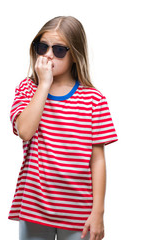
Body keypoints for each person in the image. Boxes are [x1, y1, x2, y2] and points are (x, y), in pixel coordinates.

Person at [8, 16, 118, 240]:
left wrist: (98, 212)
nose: (48, 55)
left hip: (79, 212)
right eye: (43, 47)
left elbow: (97, 160)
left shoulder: (94, 100)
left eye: (59, 50)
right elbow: (25, 131)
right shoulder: (28, 89)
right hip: (34, 207)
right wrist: (44, 84)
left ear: (75, 55)